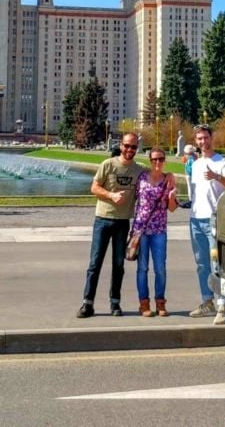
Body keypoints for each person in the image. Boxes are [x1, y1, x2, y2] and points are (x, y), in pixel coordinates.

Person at [77, 133, 148, 318]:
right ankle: (87, 303)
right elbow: (94, 188)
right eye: (127, 146)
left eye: (133, 147)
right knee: (95, 263)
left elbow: (155, 175)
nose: (130, 150)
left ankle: (115, 303)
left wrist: (169, 177)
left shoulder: (139, 170)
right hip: (103, 219)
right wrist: (111, 196)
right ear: (121, 146)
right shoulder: (107, 165)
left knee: (118, 265)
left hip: (122, 222)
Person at [188, 124, 225, 325]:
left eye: (205, 137)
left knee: (218, 264)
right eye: (199, 138)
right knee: (201, 264)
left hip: (214, 219)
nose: (202, 142)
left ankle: (223, 305)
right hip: (195, 219)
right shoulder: (196, 163)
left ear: (211, 138)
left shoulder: (221, 161)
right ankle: (207, 301)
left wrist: (216, 176)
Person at [132, 147, 178, 317]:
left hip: (159, 229)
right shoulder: (142, 178)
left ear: (164, 160)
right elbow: (134, 199)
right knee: (142, 268)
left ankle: (160, 302)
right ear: (150, 161)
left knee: (160, 268)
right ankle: (144, 304)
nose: (157, 162)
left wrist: (172, 196)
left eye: (160, 159)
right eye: (154, 159)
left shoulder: (169, 180)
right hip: (141, 229)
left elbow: (172, 208)